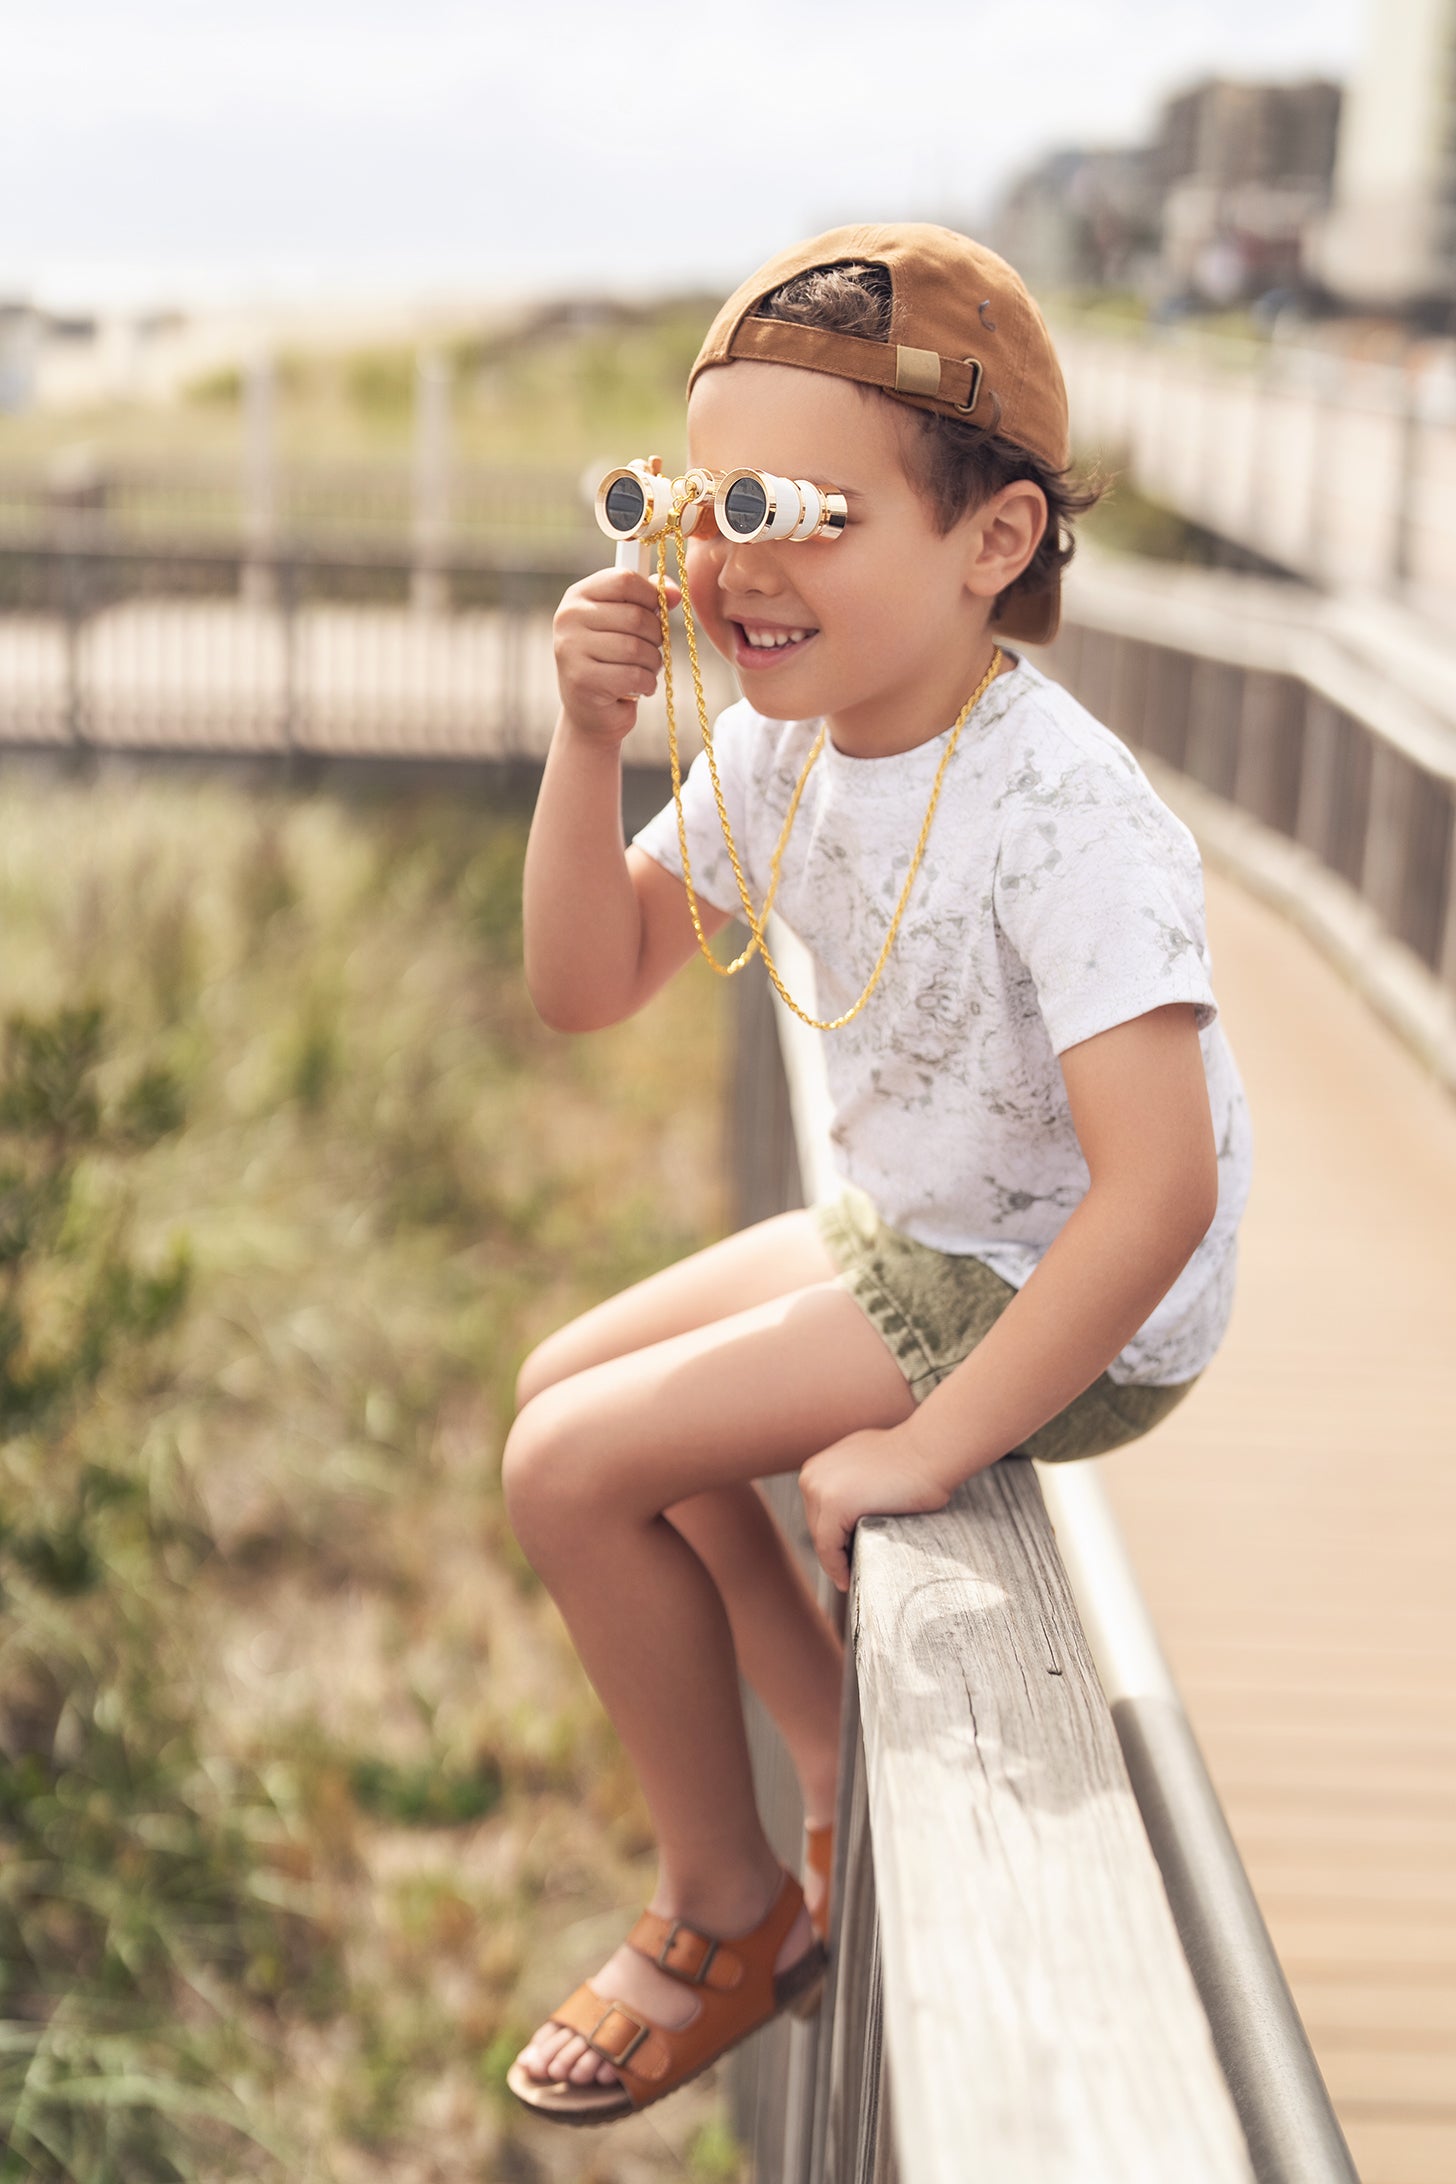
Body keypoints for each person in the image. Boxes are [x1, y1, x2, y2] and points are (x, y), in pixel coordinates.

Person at [503, 223, 1253, 2125]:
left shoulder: (1069, 815)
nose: (730, 565)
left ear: (993, 542)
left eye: (794, 508)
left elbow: (1153, 1192)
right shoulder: (786, 749)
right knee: (554, 1392)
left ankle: (726, 1900)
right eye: (690, 505)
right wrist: (586, 745)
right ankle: (829, 1781)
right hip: (920, 1219)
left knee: (570, 1469)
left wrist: (932, 1447)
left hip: (1063, 1286)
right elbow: (587, 989)